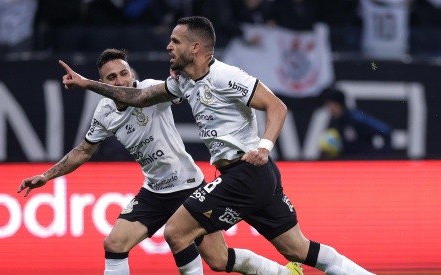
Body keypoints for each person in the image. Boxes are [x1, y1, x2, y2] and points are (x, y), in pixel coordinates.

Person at [58, 16, 376, 275]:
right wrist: (87, 84)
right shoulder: (183, 81)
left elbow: (277, 106)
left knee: (176, 232)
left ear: (195, 47)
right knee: (297, 249)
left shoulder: (226, 76)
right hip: (252, 176)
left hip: (246, 173)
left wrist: (265, 145)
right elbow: (139, 97)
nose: (168, 46)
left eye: (175, 41)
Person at [18, 48, 300, 275]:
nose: (120, 81)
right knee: (114, 243)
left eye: (124, 73)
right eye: (112, 77)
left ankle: (283, 273)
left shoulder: (152, 90)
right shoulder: (104, 112)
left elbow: (182, 89)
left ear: (133, 73)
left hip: (189, 185)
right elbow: (83, 151)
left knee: (219, 260)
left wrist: (181, 72)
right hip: (154, 192)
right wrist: (47, 176)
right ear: (104, 84)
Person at [321, 86, 393, 159]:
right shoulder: (338, 122)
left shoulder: (356, 118)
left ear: (336, 104)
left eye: (329, 105)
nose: (328, 109)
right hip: (349, 164)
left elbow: (385, 130)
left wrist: (382, 157)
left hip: (363, 163)